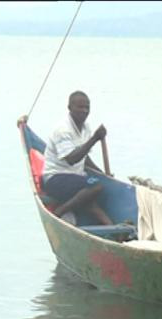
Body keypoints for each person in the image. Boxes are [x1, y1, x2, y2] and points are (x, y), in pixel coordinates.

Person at [42, 90, 112, 225]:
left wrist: (104, 174)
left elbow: (84, 158)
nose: (84, 111)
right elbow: (72, 159)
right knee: (95, 187)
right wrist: (95, 138)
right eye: (80, 107)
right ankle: (60, 212)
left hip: (76, 177)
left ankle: (112, 228)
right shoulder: (62, 130)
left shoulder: (86, 128)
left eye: (87, 107)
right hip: (56, 178)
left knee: (90, 198)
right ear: (70, 108)